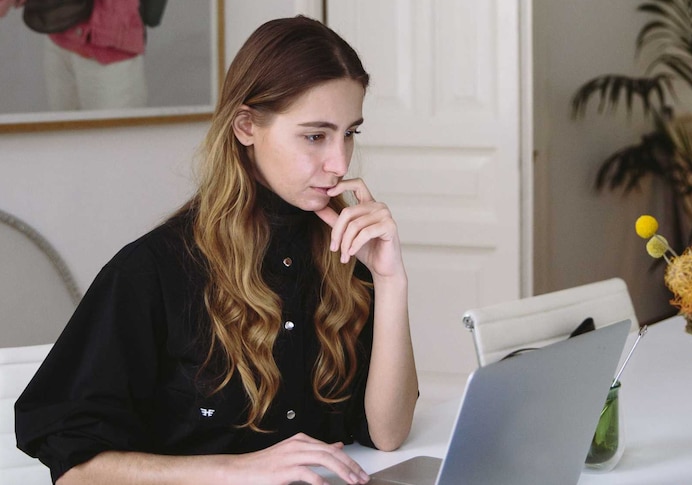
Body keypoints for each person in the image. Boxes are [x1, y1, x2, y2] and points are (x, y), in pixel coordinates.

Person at [15, 15, 419, 485]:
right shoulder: (153, 271)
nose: (339, 161)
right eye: (315, 135)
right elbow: (76, 470)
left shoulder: (345, 253)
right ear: (246, 126)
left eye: (351, 133)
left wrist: (391, 282)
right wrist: (237, 469)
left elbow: (388, 434)